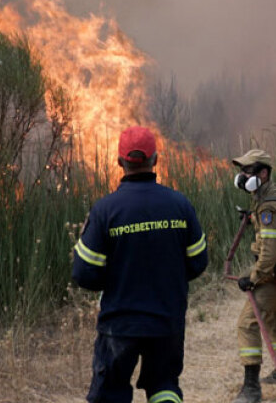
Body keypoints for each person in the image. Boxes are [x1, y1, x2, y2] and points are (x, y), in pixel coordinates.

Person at [72, 126, 209, 403]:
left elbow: (84, 272)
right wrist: (169, 279)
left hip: (121, 323)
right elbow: (198, 262)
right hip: (167, 320)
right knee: (164, 386)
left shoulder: (106, 210)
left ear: (120, 162)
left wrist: (117, 280)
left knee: (110, 392)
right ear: (155, 159)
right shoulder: (180, 205)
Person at [230, 148, 276, 403]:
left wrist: (253, 278)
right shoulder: (271, 195)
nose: (242, 175)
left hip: (272, 274)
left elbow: (269, 255)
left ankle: (251, 388)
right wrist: (252, 220)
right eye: (241, 170)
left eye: (247, 171)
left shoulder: (269, 206)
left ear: (264, 173)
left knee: (247, 323)